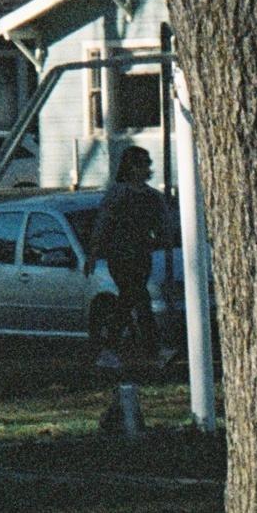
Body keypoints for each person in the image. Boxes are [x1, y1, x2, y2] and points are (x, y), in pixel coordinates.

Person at [85, 146, 175, 371]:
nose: (146, 169)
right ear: (130, 167)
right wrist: (94, 253)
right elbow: (103, 225)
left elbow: (163, 226)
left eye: (147, 163)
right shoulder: (118, 194)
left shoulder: (152, 197)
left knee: (131, 300)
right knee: (136, 297)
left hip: (141, 256)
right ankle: (151, 350)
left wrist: (164, 240)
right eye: (141, 164)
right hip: (120, 256)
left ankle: (117, 349)